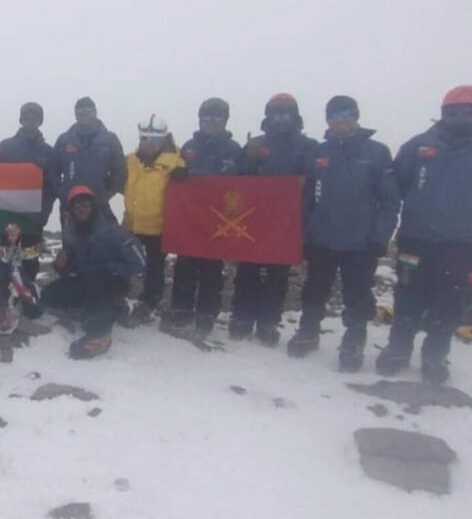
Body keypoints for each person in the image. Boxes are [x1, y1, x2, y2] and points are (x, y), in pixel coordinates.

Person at [288, 95, 399, 372]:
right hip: (322, 238)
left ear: (356, 116)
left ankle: (354, 342)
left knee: (358, 295)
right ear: (328, 119)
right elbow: (305, 200)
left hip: (360, 242)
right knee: (314, 290)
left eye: (346, 113)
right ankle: (308, 331)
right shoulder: (318, 153)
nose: (340, 120)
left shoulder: (376, 152)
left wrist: (380, 237)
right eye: (335, 115)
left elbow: (390, 200)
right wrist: (304, 235)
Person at [376, 85, 472, 383]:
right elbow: (395, 186)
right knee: (407, 296)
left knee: (449, 301)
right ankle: (398, 349)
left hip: (460, 244)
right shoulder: (418, 146)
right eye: (453, 112)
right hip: (415, 239)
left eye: (467, 112)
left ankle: (435, 357)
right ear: (443, 114)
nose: (460, 117)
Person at [230, 94, 318, 345]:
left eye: (285, 113)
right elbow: (239, 179)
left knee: (278, 274)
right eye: (275, 114)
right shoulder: (256, 145)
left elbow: (316, 181)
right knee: (247, 270)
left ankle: (268, 322)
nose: (280, 119)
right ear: (268, 117)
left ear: (295, 116)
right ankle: (243, 317)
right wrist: (249, 156)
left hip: (286, 222)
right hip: (254, 219)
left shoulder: (308, 146)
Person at [163, 98, 242, 338]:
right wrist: (176, 173)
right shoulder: (188, 146)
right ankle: (181, 309)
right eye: (206, 117)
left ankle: (207, 313)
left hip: (218, 220)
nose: (210, 122)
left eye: (216, 117)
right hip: (191, 219)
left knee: (211, 269)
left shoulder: (233, 149)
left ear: (225, 120)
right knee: (185, 266)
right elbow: (175, 173)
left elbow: (240, 185)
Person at [42, 186, 146, 359]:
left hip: (112, 281)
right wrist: (61, 266)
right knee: (48, 296)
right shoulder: (70, 230)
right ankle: (108, 309)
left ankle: (99, 334)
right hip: (85, 279)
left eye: (86, 205)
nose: (81, 209)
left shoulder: (113, 231)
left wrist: (108, 268)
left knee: (99, 281)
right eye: (76, 206)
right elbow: (72, 264)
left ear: (93, 207)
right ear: (71, 210)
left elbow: (139, 264)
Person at [0, 102, 58, 308]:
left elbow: (52, 185)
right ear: (20, 120)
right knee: (5, 257)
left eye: (34, 117)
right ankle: (4, 293)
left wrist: (44, 213)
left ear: (40, 120)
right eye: (26, 117)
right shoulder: (6, 146)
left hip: (33, 218)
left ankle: (26, 290)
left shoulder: (48, 151)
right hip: (8, 217)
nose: (30, 121)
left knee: (30, 257)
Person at [122, 115, 183, 326]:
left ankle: (149, 301)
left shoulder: (174, 163)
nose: (149, 143)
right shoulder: (130, 161)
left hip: (158, 227)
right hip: (132, 223)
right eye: (145, 137)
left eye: (155, 138)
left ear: (163, 139)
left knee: (154, 267)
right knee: (124, 262)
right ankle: (119, 295)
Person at [52, 97, 126, 222]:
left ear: (95, 112)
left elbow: (120, 172)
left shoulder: (109, 140)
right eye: (80, 112)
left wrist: (105, 193)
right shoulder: (64, 140)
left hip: (99, 205)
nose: (84, 115)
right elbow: (52, 172)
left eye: (88, 111)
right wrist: (63, 193)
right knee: (71, 241)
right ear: (75, 114)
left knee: (101, 240)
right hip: (70, 206)